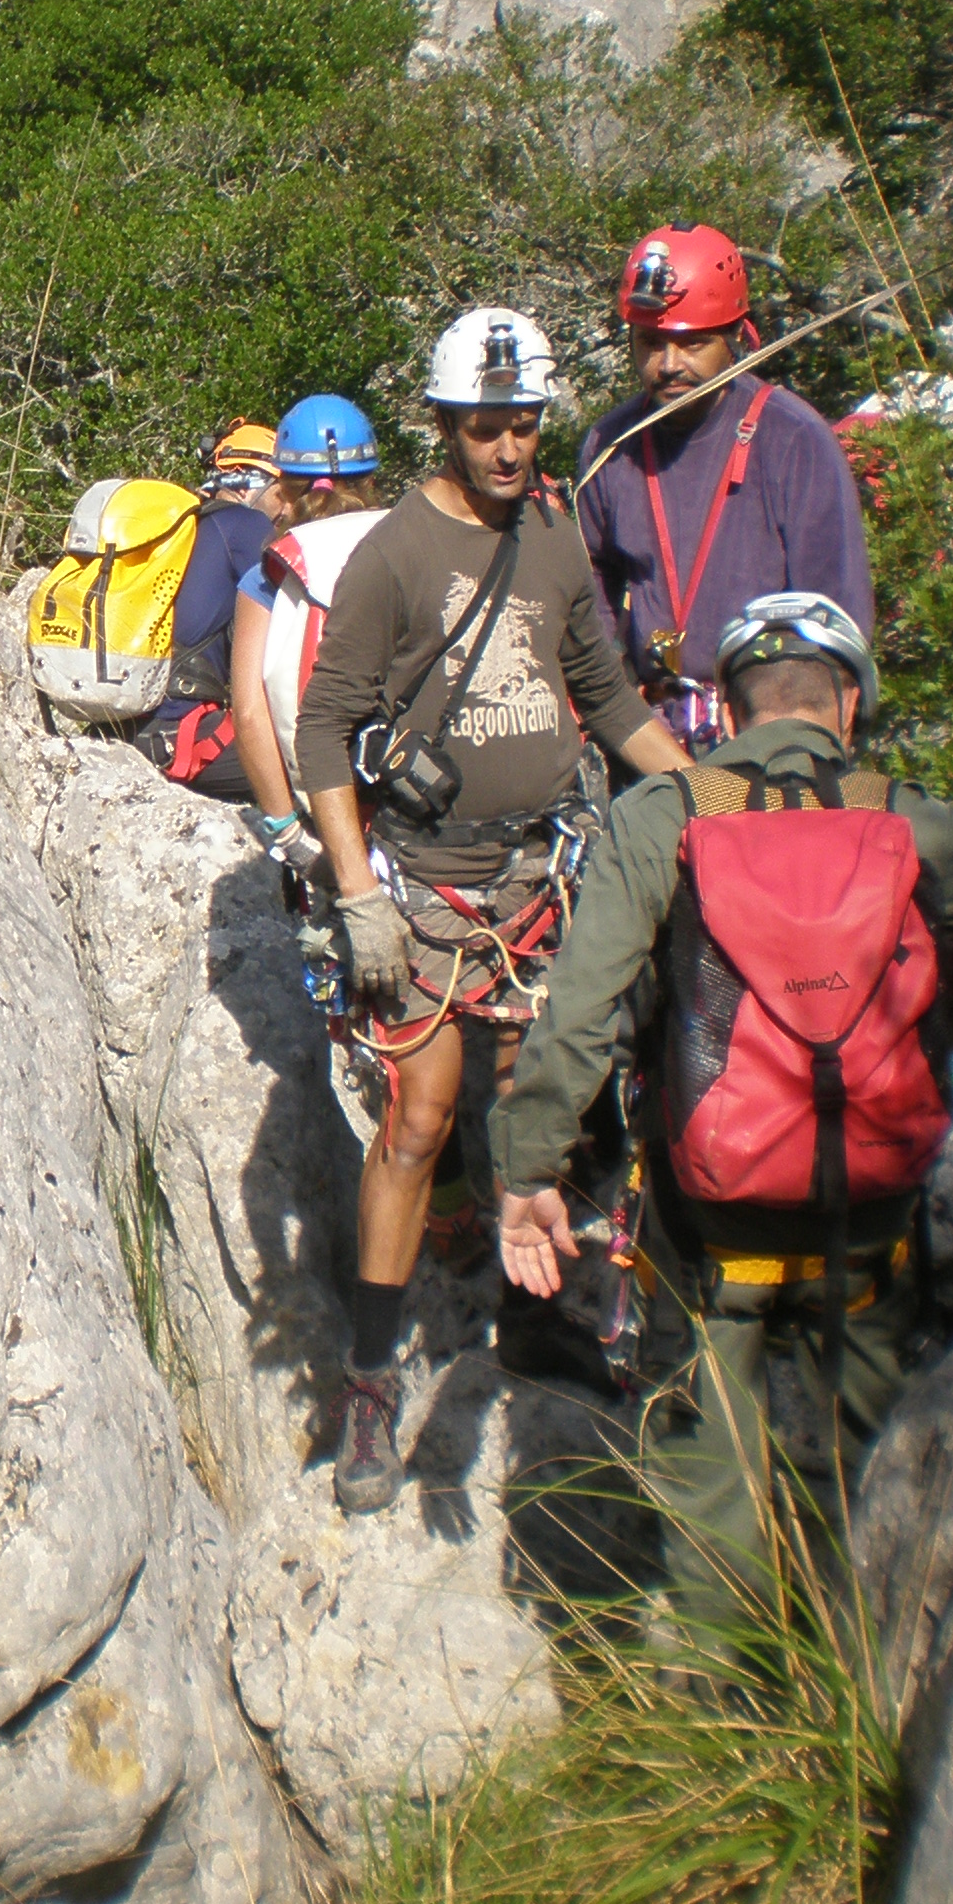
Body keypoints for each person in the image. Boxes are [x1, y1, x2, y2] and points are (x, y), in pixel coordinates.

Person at [490, 591, 953, 1647]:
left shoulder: (666, 815)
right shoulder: (905, 817)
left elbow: (581, 1014)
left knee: (707, 1474)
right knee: (859, 1468)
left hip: (708, 1216)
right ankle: (846, 1685)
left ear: (727, 715)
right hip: (871, 1206)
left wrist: (528, 1173)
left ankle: (724, 1692)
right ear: (848, 706)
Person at [296, 311, 690, 1514]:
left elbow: (604, 696)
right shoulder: (397, 555)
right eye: (486, 428)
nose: (511, 447)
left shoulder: (553, 538)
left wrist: (708, 797)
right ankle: (371, 1386)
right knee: (418, 1123)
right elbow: (326, 726)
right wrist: (357, 892)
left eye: (524, 424)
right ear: (443, 425)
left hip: (538, 877)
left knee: (532, 1110)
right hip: (427, 881)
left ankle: (532, 1323)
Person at [576, 227, 873, 756]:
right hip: (652, 739)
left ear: (735, 336)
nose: (669, 365)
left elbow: (835, 624)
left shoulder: (793, 439)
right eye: (651, 343)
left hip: (770, 737)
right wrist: (614, 697)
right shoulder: (611, 446)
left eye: (693, 343)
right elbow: (589, 590)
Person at [228, 395, 390, 839]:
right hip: (413, 793)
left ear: (283, 487)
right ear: (371, 479)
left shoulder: (269, 574)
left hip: (325, 807)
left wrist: (287, 831)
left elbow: (249, 713)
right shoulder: (409, 545)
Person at [142, 419, 282, 799]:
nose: (287, 506)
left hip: (131, 723)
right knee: (322, 772)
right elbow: (290, 621)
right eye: (281, 491)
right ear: (246, 482)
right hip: (181, 733)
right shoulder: (247, 525)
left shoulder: (182, 527)